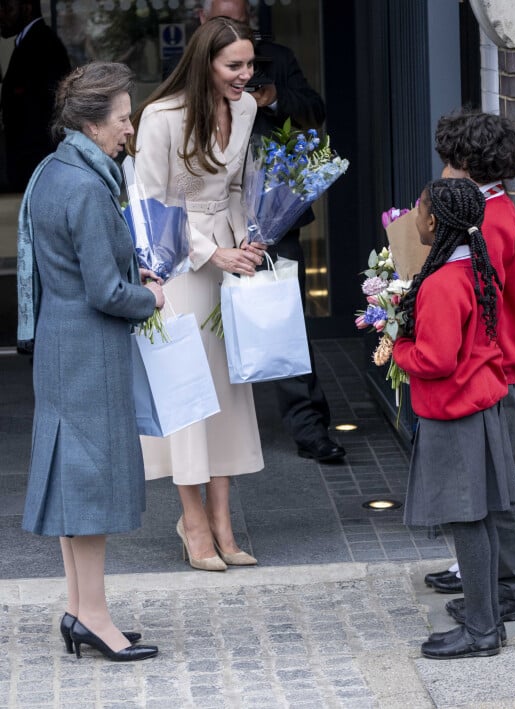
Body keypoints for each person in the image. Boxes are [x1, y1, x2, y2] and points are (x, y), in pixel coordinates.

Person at [17, 61, 164, 661]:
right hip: (91, 351)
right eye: (124, 119)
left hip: (60, 344)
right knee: (90, 487)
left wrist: (130, 274)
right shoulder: (86, 185)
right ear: (92, 123)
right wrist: (150, 295)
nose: (130, 129)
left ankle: (80, 610)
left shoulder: (52, 171)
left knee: (74, 482)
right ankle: (94, 615)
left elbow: (77, 271)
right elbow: (106, 293)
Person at [128, 17, 267, 572]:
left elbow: (235, 190)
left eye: (250, 65)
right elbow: (152, 203)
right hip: (178, 265)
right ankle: (193, 523)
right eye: (234, 66)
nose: (245, 75)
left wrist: (249, 242)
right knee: (187, 395)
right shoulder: (160, 117)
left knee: (229, 392)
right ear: (205, 62)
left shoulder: (249, 109)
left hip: (228, 265)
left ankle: (224, 523)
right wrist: (211, 253)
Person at [200, 0, 346, 464]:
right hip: (208, 216)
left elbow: (313, 110)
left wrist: (272, 98)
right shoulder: (195, 65)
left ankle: (308, 426)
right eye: (225, 20)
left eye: (242, 21)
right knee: (201, 320)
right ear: (203, 23)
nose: (235, 29)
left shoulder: (276, 59)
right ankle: (204, 425)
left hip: (270, 213)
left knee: (286, 318)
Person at [423, 111, 515, 627]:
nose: (444, 171)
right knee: (497, 484)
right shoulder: (492, 207)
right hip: (497, 365)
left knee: (498, 489)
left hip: (492, 369)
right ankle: (498, 586)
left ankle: (511, 590)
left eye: (451, 161)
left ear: (467, 164)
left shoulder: (486, 220)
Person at [393, 177, 514, 659]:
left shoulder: (443, 282)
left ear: (434, 222)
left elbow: (436, 359)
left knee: (466, 522)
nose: (415, 218)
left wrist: (399, 349)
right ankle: (488, 622)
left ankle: (481, 632)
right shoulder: (474, 269)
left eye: (420, 210)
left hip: (455, 413)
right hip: (479, 405)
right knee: (479, 519)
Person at [0, 0, 71, 191]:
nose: (2, 15)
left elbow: (51, 110)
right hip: (31, 165)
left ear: (27, 7)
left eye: (7, 8)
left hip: (38, 165)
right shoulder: (29, 42)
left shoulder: (44, 45)